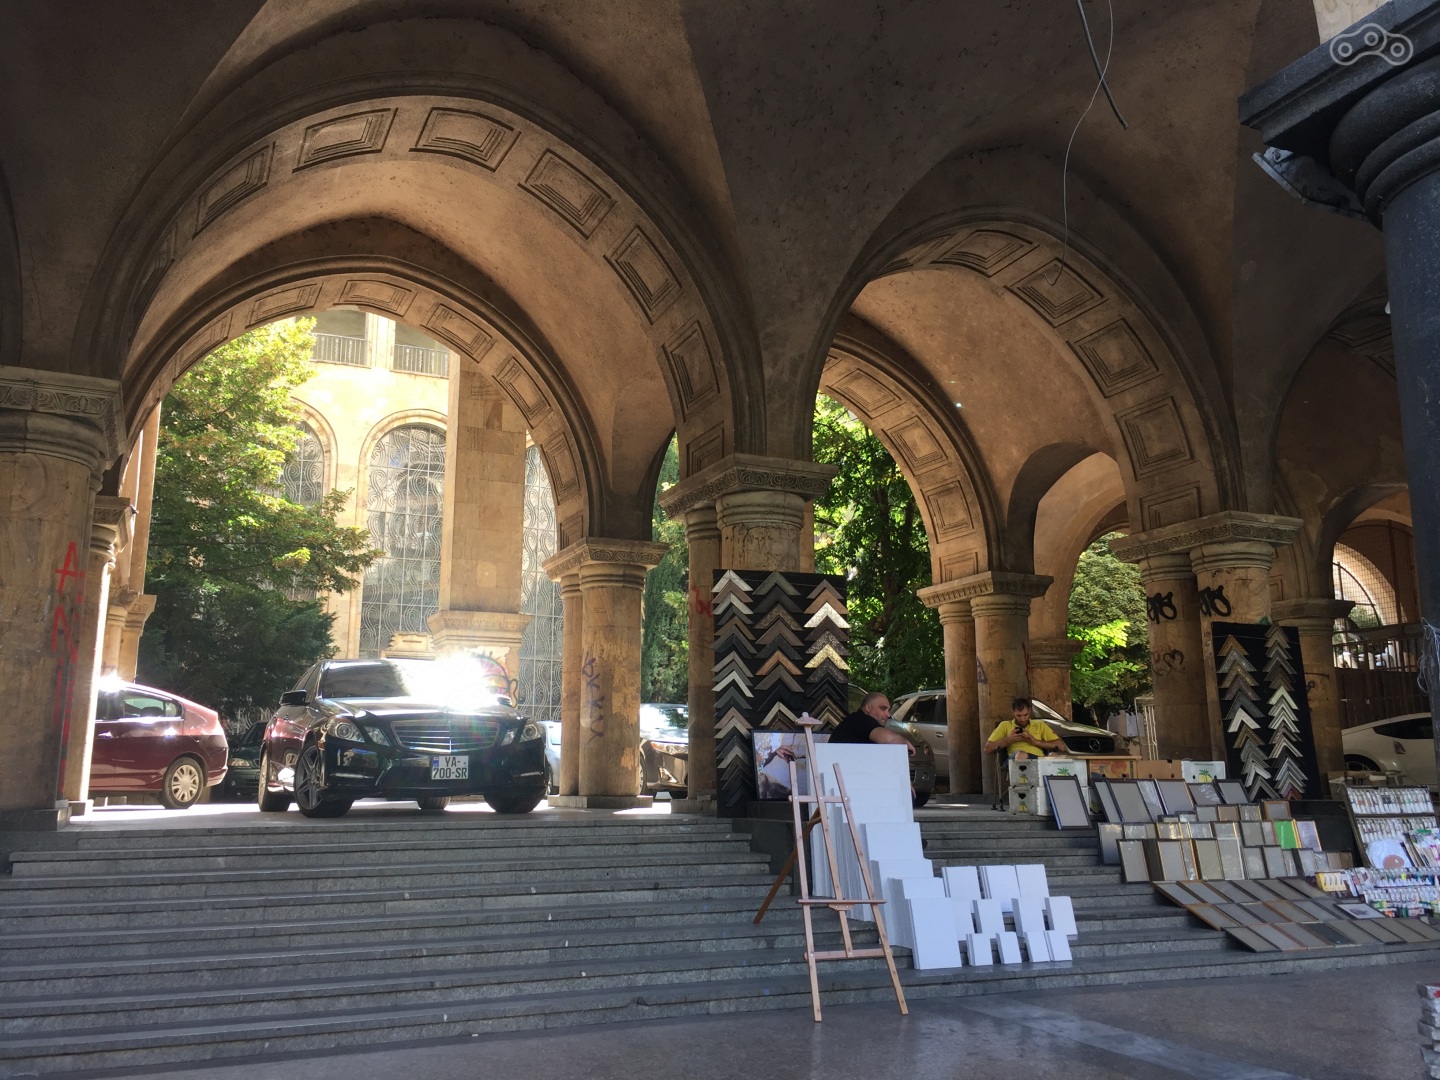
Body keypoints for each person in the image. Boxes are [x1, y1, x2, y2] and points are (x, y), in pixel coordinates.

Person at [830, 692, 914, 755]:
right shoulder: (862, 721)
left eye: (888, 710)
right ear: (868, 708)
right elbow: (889, 739)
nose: (888, 714)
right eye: (883, 708)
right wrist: (905, 743)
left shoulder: (855, 720)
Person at [983, 697, 1066, 760]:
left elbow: (1061, 746)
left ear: (1029, 711)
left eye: (1025, 715)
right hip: (1016, 758)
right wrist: (1008, 739)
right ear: (1013, 712)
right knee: (1022, 755)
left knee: (1053, 756)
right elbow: (987, 749)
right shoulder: (1005, 725)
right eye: (1019, 716)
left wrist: (1036, 741)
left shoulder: (1039, 724)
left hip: (1038, 758)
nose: (1022, 719)